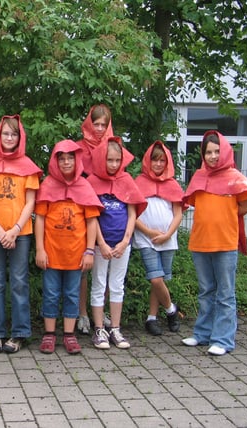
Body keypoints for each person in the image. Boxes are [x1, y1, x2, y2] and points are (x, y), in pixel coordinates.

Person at [181, 130, 247, 356]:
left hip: (225, 244)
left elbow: (245, 205)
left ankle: (223, 340)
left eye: (217, 151)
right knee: (206, 291)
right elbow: (194, 202)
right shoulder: (199, 177)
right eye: (208, 152)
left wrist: (225, 217)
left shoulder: (234, 177)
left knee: (225, 293)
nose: (213, 156)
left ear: (224, 151)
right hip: (201, 243)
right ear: (203, 155)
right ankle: (203, 334)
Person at [0, 115, 42, 354]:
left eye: (14, 134)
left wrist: (14, 230)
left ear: (19, 138)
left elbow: (30, 202)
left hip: (20, 233)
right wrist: (0, 231)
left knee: (19, 282)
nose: (9, 138)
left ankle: (19, 333)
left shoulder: (28, 166)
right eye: (5, 133)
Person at [34, 140, 102, 354]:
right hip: (52, 254)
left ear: (77, 160)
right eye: (61, 158)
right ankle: (50, 334)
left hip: (76, 255)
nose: (66, 162)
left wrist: (90, 251)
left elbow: (91, 221)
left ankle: (70, 335)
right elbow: (40, 219)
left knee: (73, 294)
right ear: (55, 161)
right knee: (51, 294)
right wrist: (39, 249)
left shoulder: (84, 186)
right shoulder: (47, 185)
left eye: (70, 158)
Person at [87, 137, 146, 350]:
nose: (113, 164)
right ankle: (99, 329)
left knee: (117, 285)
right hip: (100, 244)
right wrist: (100, 243)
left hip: (122, 244)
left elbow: (132, 213)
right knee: (99, 284)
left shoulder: (127, 180)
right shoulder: (92, 181)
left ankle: (115, 328)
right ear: (102, 160)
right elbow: (91, 216)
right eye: (109, 160)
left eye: (117, 160)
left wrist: (125, 241)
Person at [134, 141, 184, 336]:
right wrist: (148, 232)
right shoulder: (139, 182)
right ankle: (171, 309)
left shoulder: (172, 184)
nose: (158, 164)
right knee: (155, 278)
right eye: (155, 160)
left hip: (168, 239)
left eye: (162, 160)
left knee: (160, 279)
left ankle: (152, 318)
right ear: (148, 161)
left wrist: (167, 235)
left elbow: (178, 214)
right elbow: (133, 214)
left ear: (167, 163)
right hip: (147, 239)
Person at [76, 104, 114, 335]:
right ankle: (82, 314)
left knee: (106, 268)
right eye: (96, 124)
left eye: (104, 125)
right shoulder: (80, 149)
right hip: (84, 213)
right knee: (84, 267)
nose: (99, 129)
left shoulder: (113, 148)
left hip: (109, 213)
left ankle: (101, 311)